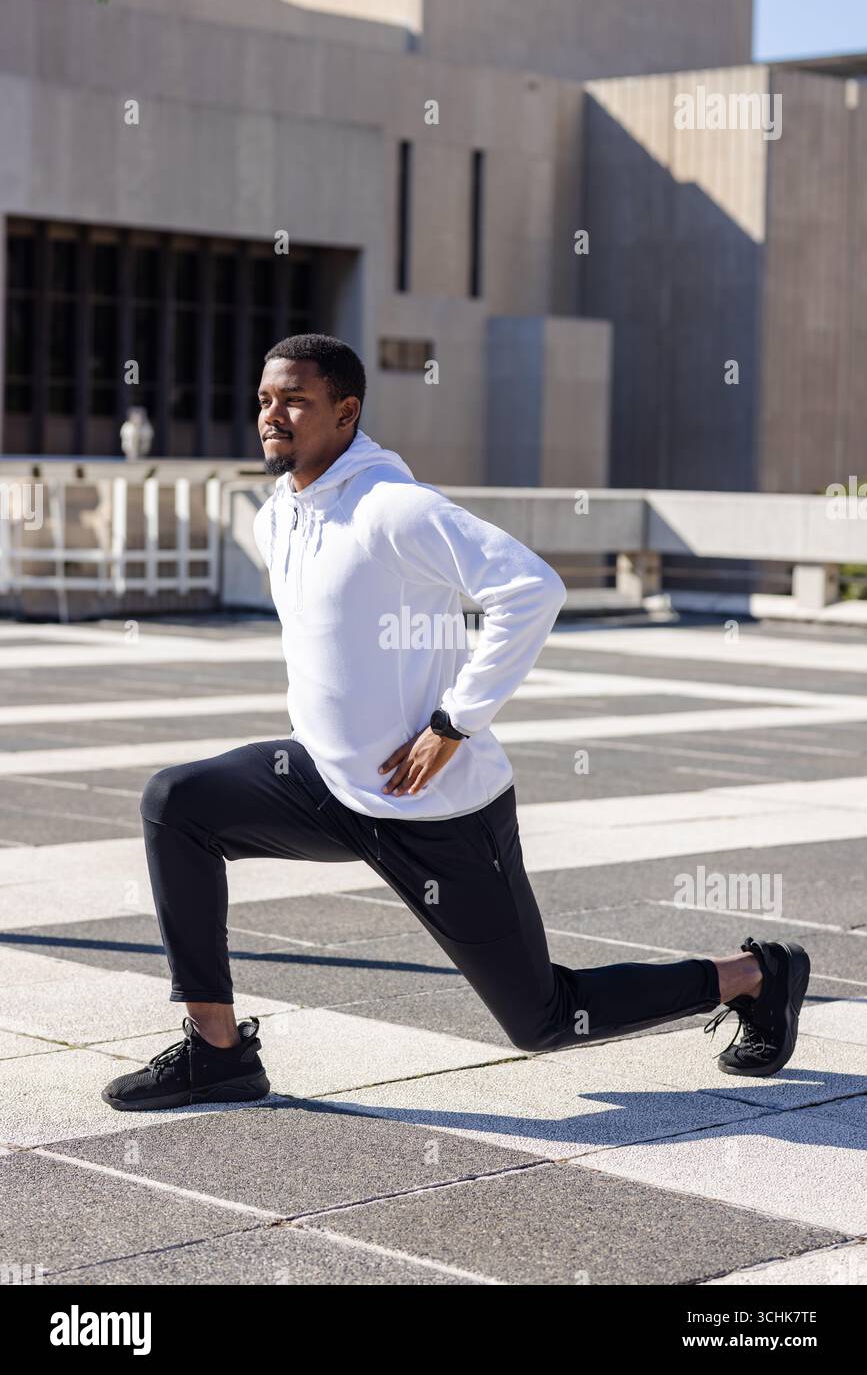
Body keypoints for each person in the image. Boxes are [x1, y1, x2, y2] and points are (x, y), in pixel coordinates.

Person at [102, 334, 811, 1111]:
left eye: (295, 401)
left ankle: (753, 976)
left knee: (541, 1020)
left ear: (346, 412)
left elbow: (529, 589)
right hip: (324, 784)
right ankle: (218, 1052)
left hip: (437, 812)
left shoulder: (392, 508)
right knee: (178, 802)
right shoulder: (281, 512)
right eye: (267, 400)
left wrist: (454, 721)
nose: (273, 416)